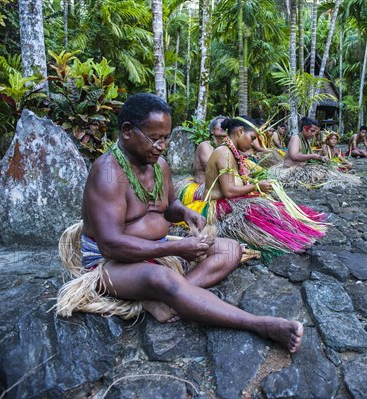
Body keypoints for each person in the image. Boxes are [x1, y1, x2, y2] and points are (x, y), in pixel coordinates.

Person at [55, 93, 303, 353]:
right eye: (154, 138)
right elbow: (111, 246)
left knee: (231, 249)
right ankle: (259, 325)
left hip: (155, 250)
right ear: (127, 131)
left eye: (166, 138)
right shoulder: (108, 172)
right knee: (160, 277)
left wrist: (185, 213)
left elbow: (168, 206)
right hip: (111, 264)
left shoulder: (159, 165)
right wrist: (175, 249)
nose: (161, 146)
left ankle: (168, 299)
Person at [203, 115, 328, 257]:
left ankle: (296, 230)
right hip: (217, 206)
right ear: (240, 132)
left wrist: (251, 181)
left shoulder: (230, 151)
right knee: (262, 213)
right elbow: (229, 191)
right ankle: (289, 238)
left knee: (273, 207)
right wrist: (256, 187)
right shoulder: (223, 153)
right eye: (253, 138)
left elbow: (234, 182)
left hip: (229, 200)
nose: (253, 143)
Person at [270, 117, 361, 189]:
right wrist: (313, 156)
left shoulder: (306, 140)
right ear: (305, 128)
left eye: (315, 131)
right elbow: (294, 156)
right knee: (324, 175)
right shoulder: (296, 138)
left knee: (330, 169)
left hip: (302, 168)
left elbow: (307, 157)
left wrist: (320, 158)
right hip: (291, 170)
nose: (314, 134)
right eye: (312, 131)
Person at [177, 116, 226, 213]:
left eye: (226, 124)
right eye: (221, 124)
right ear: (212, 131)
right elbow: (212, 169)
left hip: (217, 186)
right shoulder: (205, 145)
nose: (224, 126)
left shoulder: (224, 147)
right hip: (203, 187)